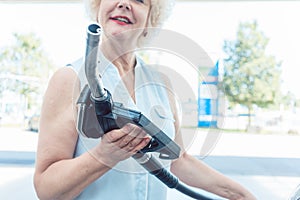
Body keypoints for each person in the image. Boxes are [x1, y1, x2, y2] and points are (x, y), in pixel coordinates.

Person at [33, 0, 257, 199]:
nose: (124, 3)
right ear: (98, 6)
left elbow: (177, 160)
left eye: (139, 0)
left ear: (151, 18)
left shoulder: (161, 83)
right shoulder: (70, 78)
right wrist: (103, 156)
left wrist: (239, 194)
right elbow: (46, 189)